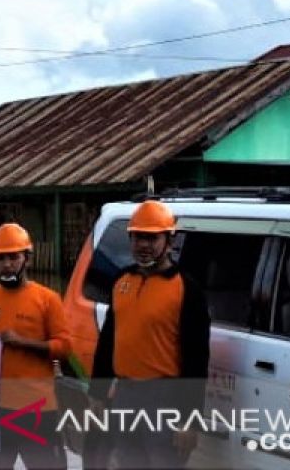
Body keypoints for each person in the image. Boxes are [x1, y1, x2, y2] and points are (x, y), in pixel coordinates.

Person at [90, 199, 210, 469]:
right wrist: (98, 392)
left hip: (165, 397)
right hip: (124, 394)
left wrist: (189, 420)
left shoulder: (186, 289)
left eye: (151, 238)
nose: (143, 245)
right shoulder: (122, 281)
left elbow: (197, 358)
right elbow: (109, 339)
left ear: (169, 240)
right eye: (137, 238)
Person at [0, 223, 70, 470]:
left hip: (38, 408)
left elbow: (65, 347)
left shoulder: (48, 299)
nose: (7, 264)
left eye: (13, 257)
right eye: (1, 258)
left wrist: (22, 343)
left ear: (28, 258)